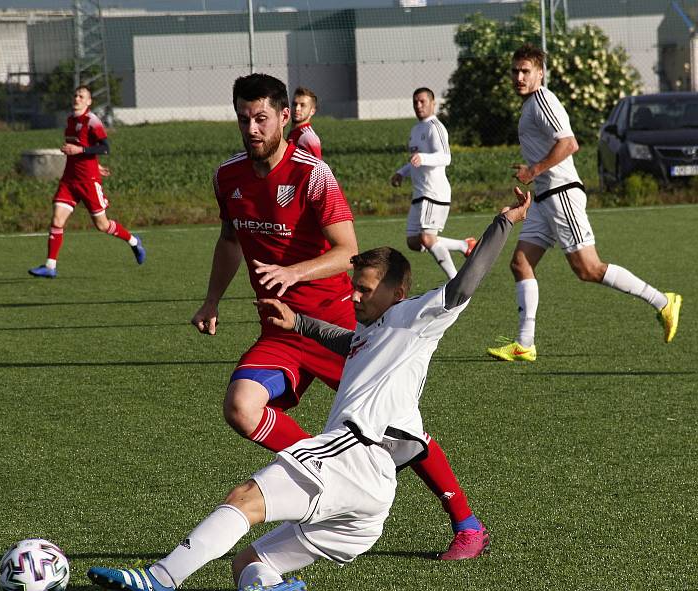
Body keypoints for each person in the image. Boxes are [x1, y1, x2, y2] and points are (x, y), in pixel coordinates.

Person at [86, 188, 531, 591]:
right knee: (248, 564)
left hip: (356, 454)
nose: (354, 298)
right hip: (369, 504)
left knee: (244, 499)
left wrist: (503, 222)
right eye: (353, 289)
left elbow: (465, 283)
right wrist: (296, 322)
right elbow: (347, 341)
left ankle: (158, 579)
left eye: (365, 290)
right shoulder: (372, 331)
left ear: (397, 292)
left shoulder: (415, 316)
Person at [192, 72, 487, 560]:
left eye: (262, 117)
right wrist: (211, 300)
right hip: (281, 328)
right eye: (244, 118)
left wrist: (293, 271)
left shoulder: (312, 174)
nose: (252, 128)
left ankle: (468, 523)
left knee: (397, 430)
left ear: (285, 117)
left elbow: (348, 250)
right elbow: (229, 241)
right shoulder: (228, 176)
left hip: (339, 327)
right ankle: (325, 471)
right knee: (240, 408)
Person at [486, 44, 682, 362]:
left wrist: (533, 171)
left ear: (540, 73)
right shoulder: (529, 106)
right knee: (520, 264)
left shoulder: (542, 100)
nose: (519, 76)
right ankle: (525, 343)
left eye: (525, 71)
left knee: (588, 269)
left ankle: (662, 302)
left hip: (562, 194)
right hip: (546, 197)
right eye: (515, 71)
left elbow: (569, 143)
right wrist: (534, 185)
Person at [28, 86, 145, 278]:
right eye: (75, 95)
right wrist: (91, 162)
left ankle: (134, 241)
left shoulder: (92, 121)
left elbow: (105, 148)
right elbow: (83, 149)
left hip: (88, 182)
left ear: (89, 101)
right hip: (69, 180)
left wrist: (81, 154)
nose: (77, 98)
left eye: (81, 96)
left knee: (102, 225)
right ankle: (50, 266)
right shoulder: (70, 120)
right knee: (57, 219)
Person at [391, 87, 475, 280]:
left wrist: (423, 158)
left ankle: (456, 281)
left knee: (428, 238)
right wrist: (401, 173)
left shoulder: (435, 127)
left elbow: (446, 157)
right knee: (414, 241)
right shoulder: (415, 130)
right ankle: (464, 245)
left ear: (432, 103)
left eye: (423, 101)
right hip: (419, 194)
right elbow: (416, 161)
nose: (418, 106)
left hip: (434, 192)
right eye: (415, 102)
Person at [286, 86, 322, 158]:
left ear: (312, 111)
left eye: (302, 105)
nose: (297, 108)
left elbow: (315, 168)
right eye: (294, 104)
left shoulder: (308, 137)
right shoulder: (294, 132)